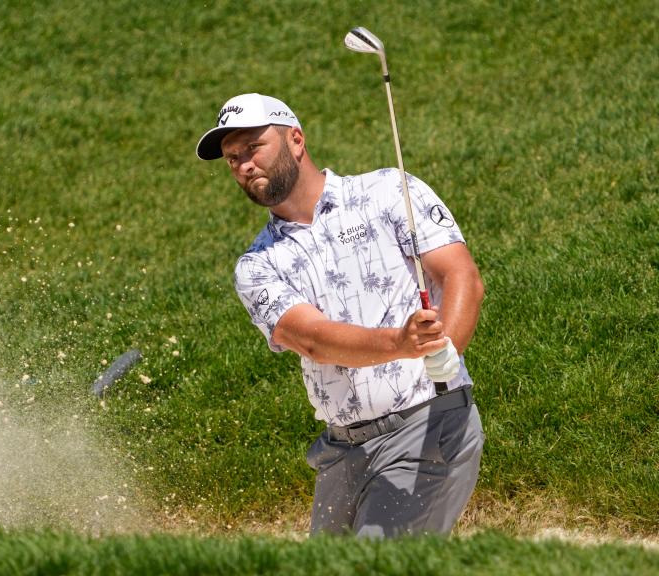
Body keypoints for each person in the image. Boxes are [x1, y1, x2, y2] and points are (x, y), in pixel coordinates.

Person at [196, 93, 486, 538]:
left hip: (426, 425)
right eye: (233, 158)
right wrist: (400, 342)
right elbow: (313, 339)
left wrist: (448, 349)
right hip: (342, 450)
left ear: (296, 140)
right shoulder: (257, 266)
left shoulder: (389, 191)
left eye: (253, 147)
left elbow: (461, 274)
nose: (243, 164)